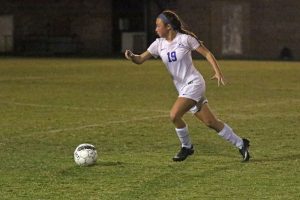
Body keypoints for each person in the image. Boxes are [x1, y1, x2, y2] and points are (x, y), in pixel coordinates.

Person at [124, 10, 250, 162]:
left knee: (174, 115)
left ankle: (187, 147)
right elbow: (140, 60)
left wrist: (218, 72)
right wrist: (132, 57)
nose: (155, 29)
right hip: (183, 89)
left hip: (194, 83)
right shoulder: (159, 44)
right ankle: (241, 143)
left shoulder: (185, 39)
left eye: (158, 26)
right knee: (211, 122)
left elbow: (207, 54)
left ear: (168, 27)